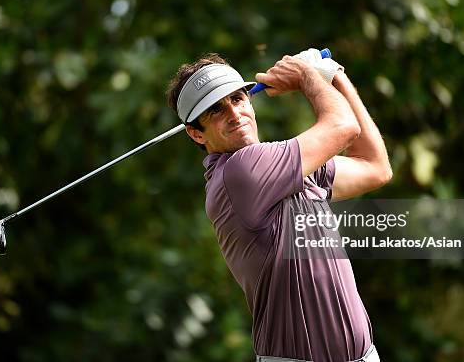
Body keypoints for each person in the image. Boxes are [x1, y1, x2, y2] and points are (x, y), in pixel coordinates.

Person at [166, 49, 392, 362]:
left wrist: (334, 74)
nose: (234, 114)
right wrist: (308, 76)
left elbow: (375, 167)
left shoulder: (287, 168)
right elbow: (343, 127)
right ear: (195, 133)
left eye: (237, 99)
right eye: (215, 111)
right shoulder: (239, 172)